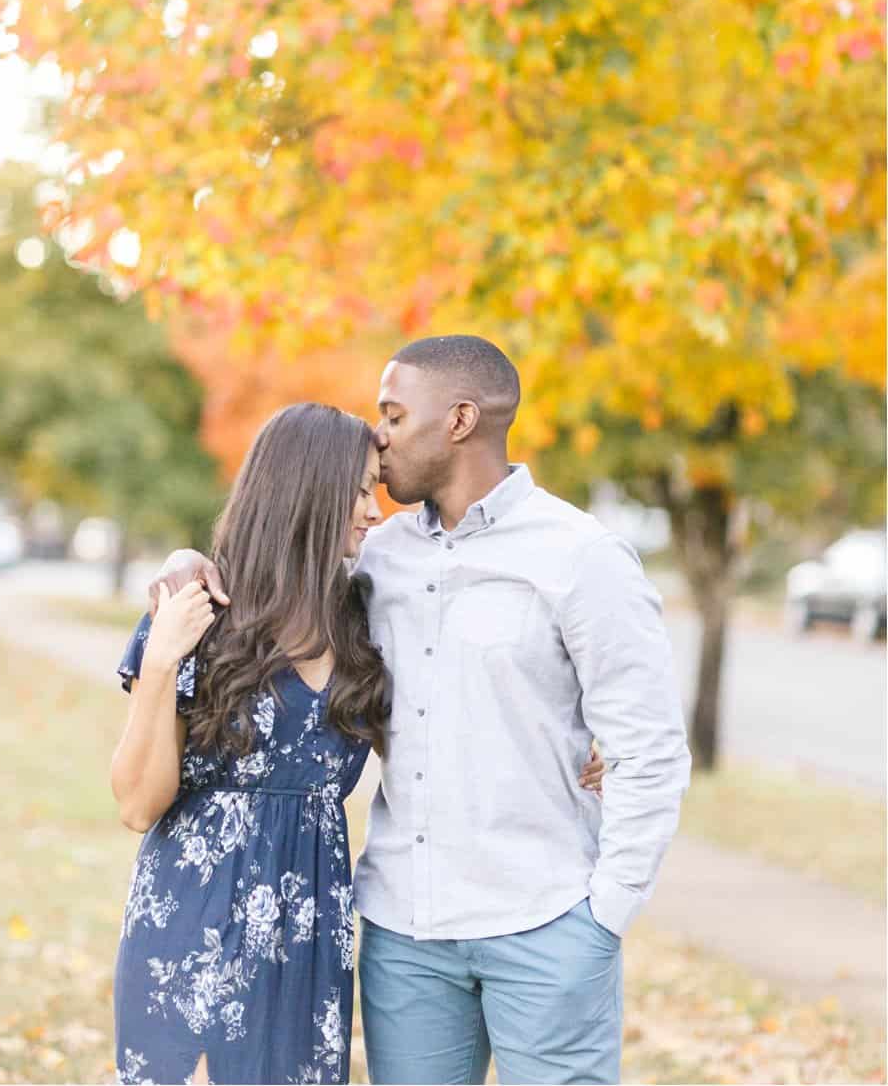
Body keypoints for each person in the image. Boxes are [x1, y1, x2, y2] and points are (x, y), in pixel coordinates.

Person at [147, 336, 684, 1086]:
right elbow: (275, 564)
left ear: (461, 419)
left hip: (546, 921)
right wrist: (184, 563)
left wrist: (603, 918)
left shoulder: (580, 556)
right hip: (405, 935)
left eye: (395, 415)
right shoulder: (375, 554)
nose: (379, 433)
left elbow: (650, 747)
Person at [110, 403, 388, 1086]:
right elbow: (138, 804)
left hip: (310, 938)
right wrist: (161, 662)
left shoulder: (363, 619)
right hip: (196, 928)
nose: (373, 510)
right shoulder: (201, 611)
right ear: (307, 489)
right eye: (359, 490)